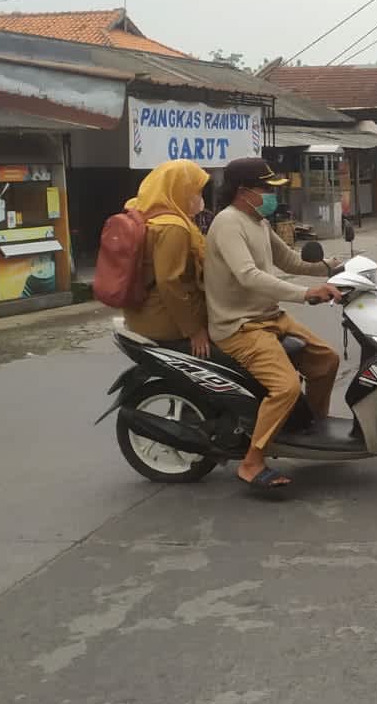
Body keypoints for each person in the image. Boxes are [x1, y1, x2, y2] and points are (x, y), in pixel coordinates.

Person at [204, 158, 344, 491]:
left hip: (270, 317)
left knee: (326, 360)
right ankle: (252, 462)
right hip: (240, 325)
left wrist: (333, 268)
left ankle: (312, 427)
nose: (270, 195)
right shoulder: (227, 223)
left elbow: (290, 261)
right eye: (265, 189)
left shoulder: (258, 220)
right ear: (244, 191)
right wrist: (305, 293)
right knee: (285, 388)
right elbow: (248, 275)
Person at [120, 160, 212, 358]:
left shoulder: (143, 213)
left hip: (141, 314)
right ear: (180, 190)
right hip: (165, 321)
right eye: (197, 192)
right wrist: (194, 330)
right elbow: (170, 282)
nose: (200, 198)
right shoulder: (173, 227)